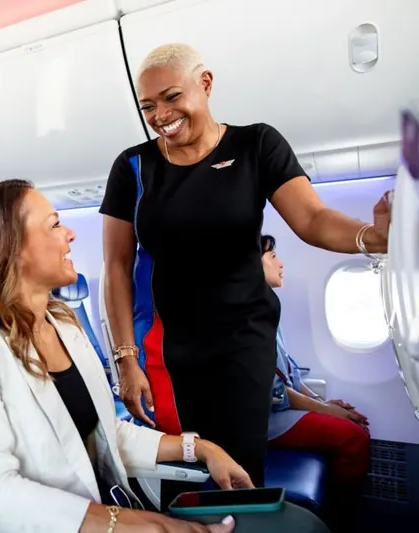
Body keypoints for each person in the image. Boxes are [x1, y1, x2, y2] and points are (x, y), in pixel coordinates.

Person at [0, 178, 324, 533]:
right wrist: (136, 525)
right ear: (13, 248)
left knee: (297, 523)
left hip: (118, 511)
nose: (70, 234)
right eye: (54, 225)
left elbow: (108, 434)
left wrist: (202, 448)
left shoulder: (64, 326)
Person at [100, 42, 391, 487]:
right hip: (170, 350)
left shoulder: (256, 144)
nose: (161, 114)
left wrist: (372, 239)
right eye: (149, 106)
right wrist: (126, 360)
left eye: (172, 97)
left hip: (243, 343)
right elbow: (116, 268)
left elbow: (311, 219)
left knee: (238, 472)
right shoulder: (133, 167)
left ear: (206, 83)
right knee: (187, 479)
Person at [261, 234, 371, 530]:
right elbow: (271, 389)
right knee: (354, 437)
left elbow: (289, 371)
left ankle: (335, 510)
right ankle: (339, 520)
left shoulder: (266, 306)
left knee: (354, 426)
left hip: (278, 409)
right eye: (272, 258)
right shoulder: (246, 315)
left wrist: (323, 404)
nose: (281, 264)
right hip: (263, 420)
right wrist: (324, 411)